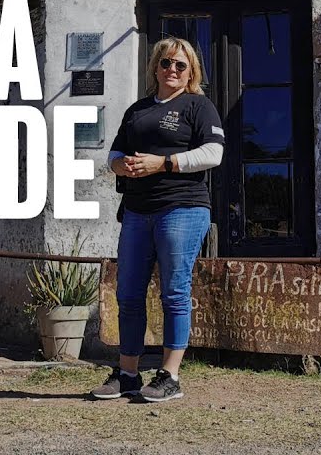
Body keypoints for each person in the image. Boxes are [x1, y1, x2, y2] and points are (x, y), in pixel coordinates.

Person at [91, 36, 225, 403]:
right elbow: (115, 152)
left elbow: (214, 154)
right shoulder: (137, 109)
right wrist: (120, 164)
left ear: (191, 71)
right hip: (137, 211)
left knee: (174, 292)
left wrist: (163, 163)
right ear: (155, 67)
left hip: (182, 209)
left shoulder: (199, 106)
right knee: (128, 293)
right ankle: (128, 374)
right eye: (166, 63)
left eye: (180, 65)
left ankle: (169, 375)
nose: (172, 69)